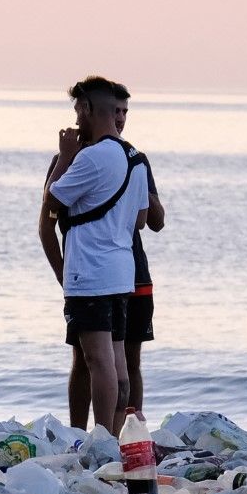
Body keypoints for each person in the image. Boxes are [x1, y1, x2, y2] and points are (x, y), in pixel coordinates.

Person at [39, 76, 155, 432]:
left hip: (90, 270)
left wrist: (65, 159)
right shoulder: (134, 158)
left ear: (89, 108)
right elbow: (139, 218)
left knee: (96, 359)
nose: (76, 120)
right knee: (118, 363)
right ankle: (116, 435)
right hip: (122, 270)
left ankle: (103, 435)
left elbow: (51, 202)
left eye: (78, 110)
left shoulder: (90, 158)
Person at [111, 84, 167, 415]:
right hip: (98, 272)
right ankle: (83, 430)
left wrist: (144, 189)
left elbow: (155, 221)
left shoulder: (136, 160)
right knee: (87, 357)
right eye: (115, 111)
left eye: (125, 112)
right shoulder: (77, 158)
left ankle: (134, 429)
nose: (120, 118)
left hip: (135, 270)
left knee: (132, 357)